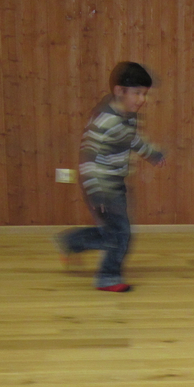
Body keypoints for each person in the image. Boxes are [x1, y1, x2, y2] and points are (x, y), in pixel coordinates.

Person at [55, 62, 165, 292]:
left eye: (144, 94)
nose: (142, 99)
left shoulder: (128, 114)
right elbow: (87, 157)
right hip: (101, 187)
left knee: (113, 234)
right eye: (137, 93)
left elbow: (131, 139)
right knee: (121, 235)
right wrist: (96, 193)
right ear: (119, 91)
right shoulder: (104, 122)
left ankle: (72, 242)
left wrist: (151, 154)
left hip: (116, 183)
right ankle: (108, 277)